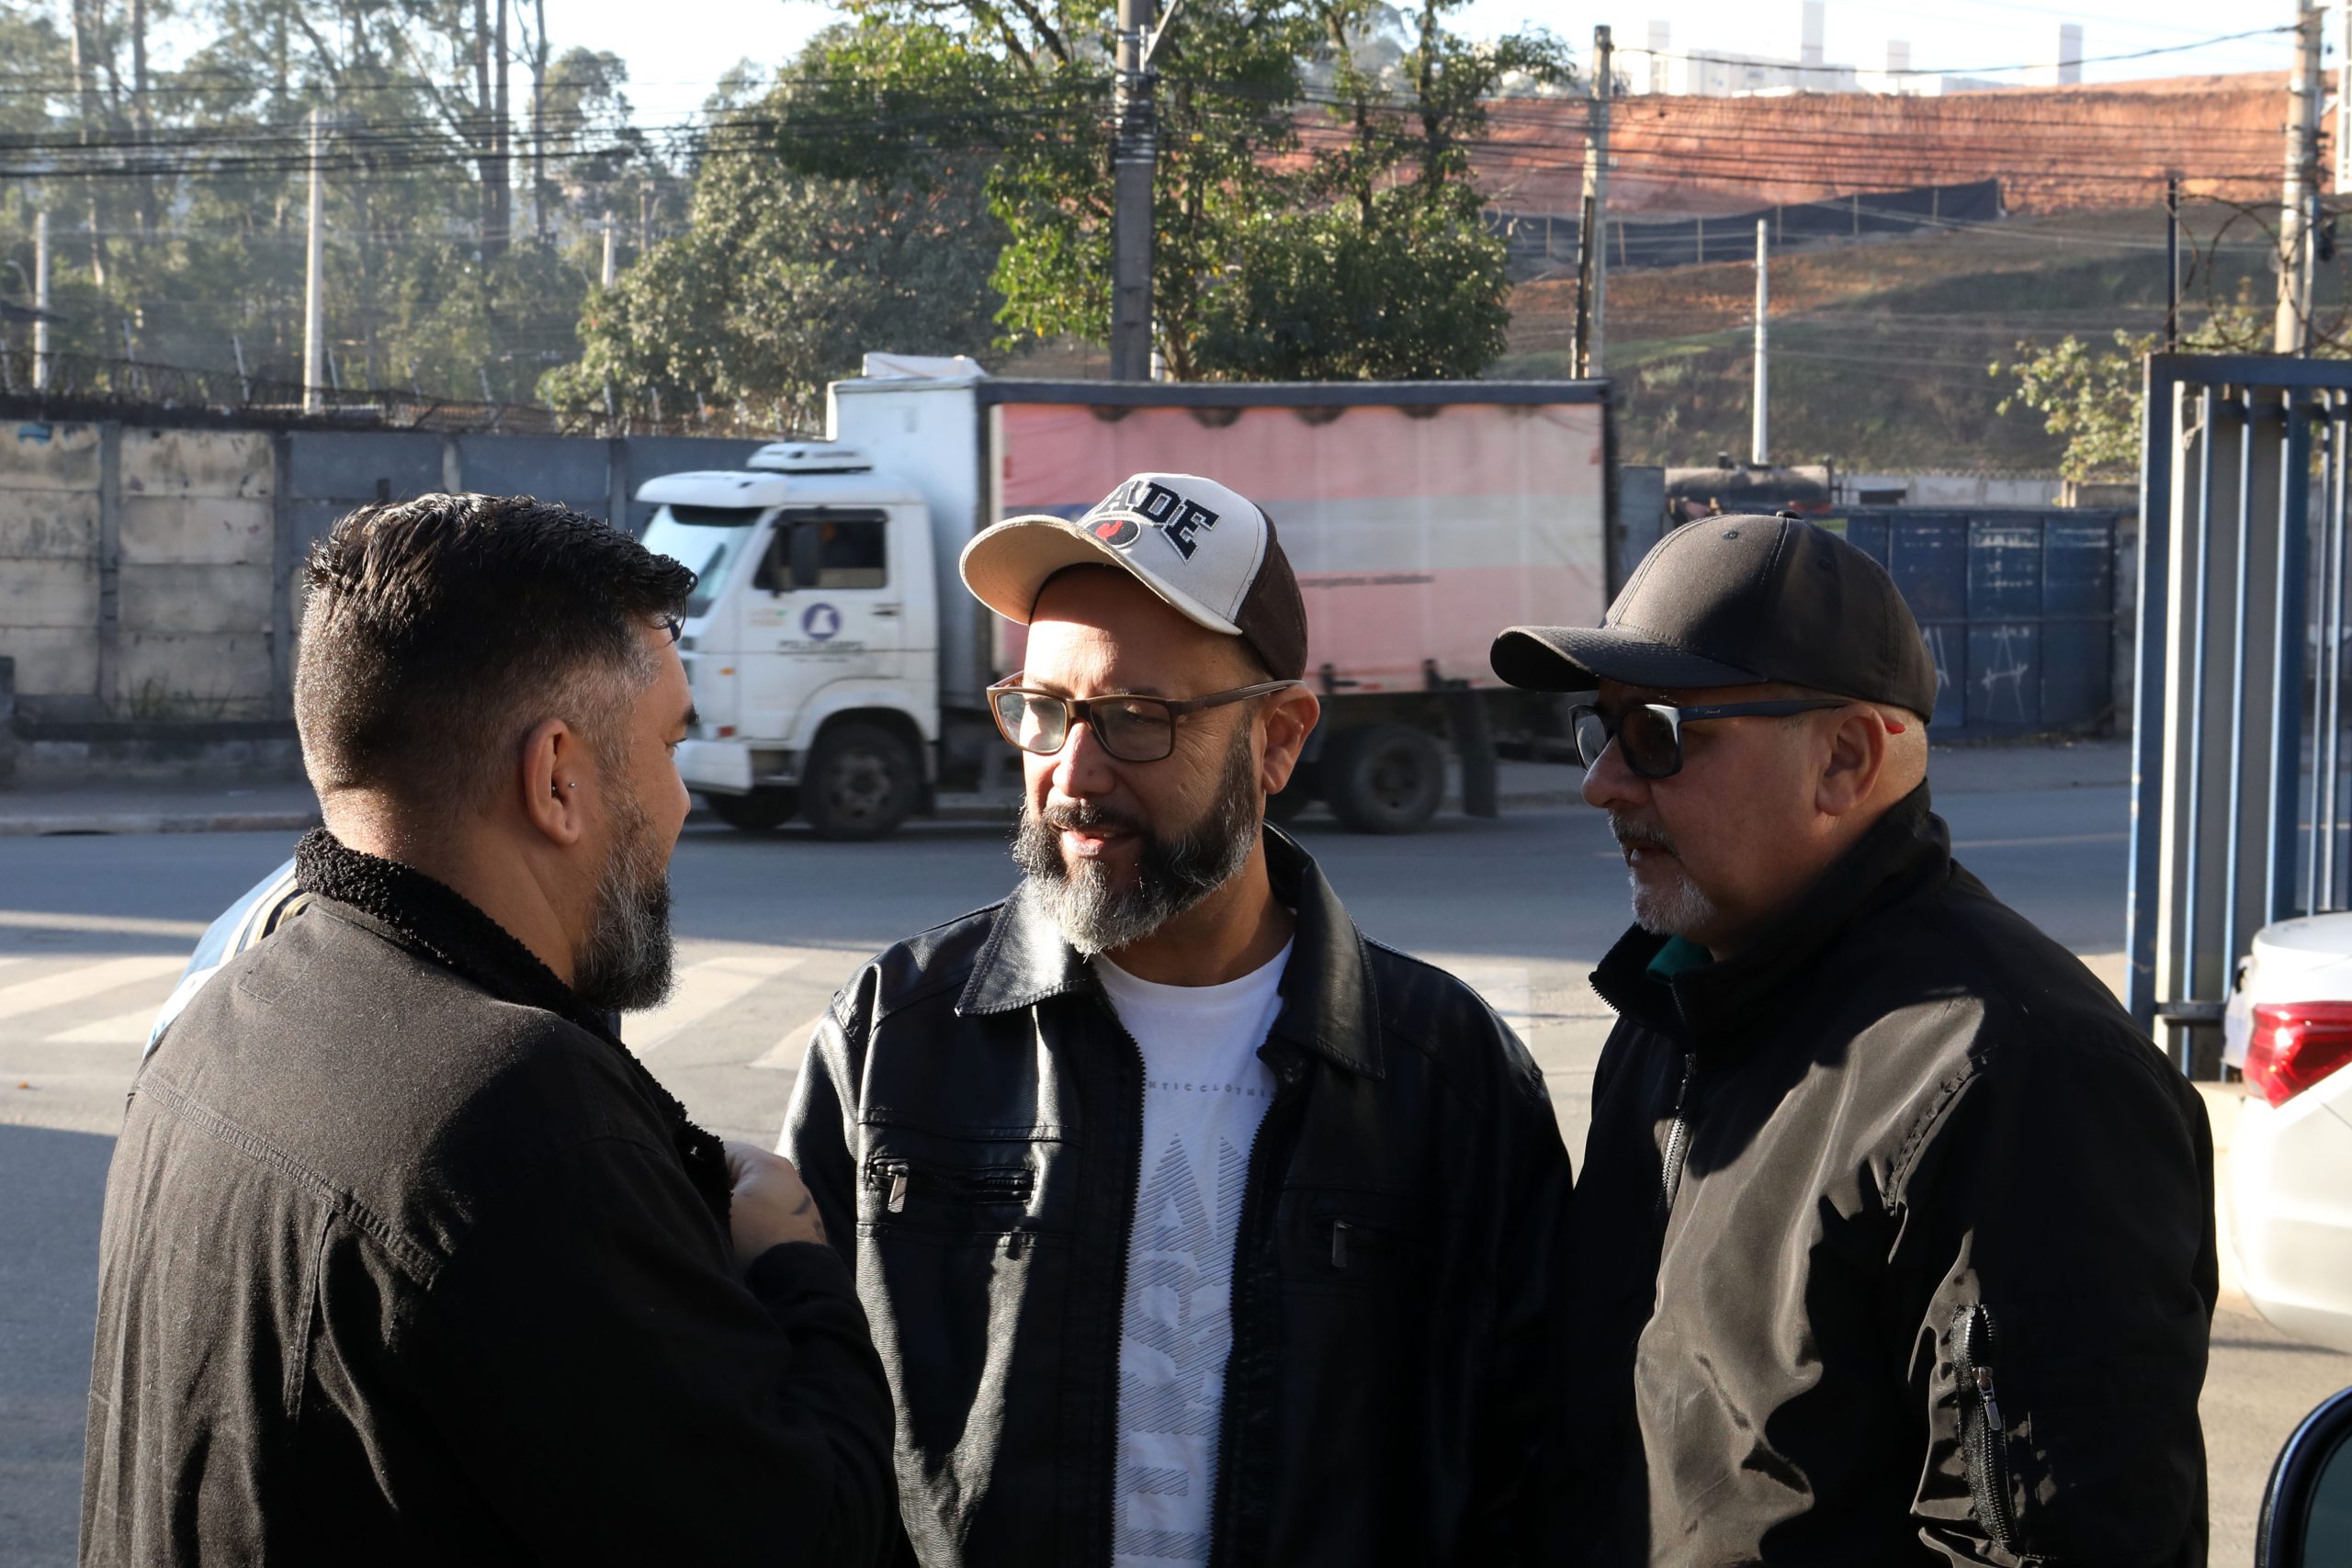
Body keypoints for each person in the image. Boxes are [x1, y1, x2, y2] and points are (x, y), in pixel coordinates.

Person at [82, 494, 899, 1566]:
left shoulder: (223, 1011)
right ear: (558, 776)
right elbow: (809, 1539)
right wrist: (791, 1254)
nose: (683, 801)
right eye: (668, 743)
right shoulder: (517, 1120)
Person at [782, 472, 1574, 1567]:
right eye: (1044, 711)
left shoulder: (1445, 1078)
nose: (1073, 771)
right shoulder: (893, 1039)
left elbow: (1527, 1470)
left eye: (1135, 721)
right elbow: (795, 1430)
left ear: (1280, 740)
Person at [1491, 514, 2217, 1565]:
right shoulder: (1673, 1021)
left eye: (1656, 732)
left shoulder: (2017, 1078)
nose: (1603, 782)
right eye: (1596, 730)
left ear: (1843, 759)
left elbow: (2048, 1539)